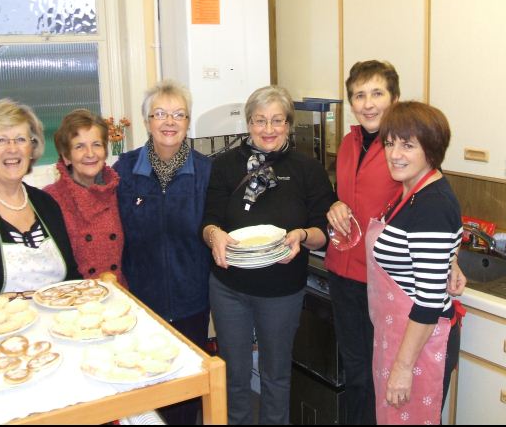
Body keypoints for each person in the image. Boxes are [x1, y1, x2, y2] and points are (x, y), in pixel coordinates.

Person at [324, 60, 466, 424]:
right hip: (353, 282)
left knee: (390, 393)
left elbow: (435, 229)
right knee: (361, 376)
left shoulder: (421, 184)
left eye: (377, 93)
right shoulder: (353, 147)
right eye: (359, 95)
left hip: (395, 300)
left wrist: (448, 260)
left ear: (394, 99)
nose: (367, 103)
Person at [202, 85, 336, 424]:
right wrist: (214, 235)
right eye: (260, 120)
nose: (269, 129)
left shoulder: (307, 169)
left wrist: (304, 235)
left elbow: (323, 233)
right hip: (229, 288)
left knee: (276, 375)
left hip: (282, 290)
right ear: (248, 124)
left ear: (288, 124)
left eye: (277, 120)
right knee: (234, 375)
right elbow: (209, 221)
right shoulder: (225, 166)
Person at [113, 80, 212, 425]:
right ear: (147, 121)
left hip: (192, 300)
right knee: (144, 386)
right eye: (160, 114)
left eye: (178, 114)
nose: (169, 122)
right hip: (141, 302)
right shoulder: (123, 172)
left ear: (188, 122)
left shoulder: (206, 172)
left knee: (186, 386)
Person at [368, 101, 463, 424]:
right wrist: (450, 260)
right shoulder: (413, 190)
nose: (395, 154)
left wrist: (402, 368)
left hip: (420, 345)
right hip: (399, 334)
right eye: (390, 143)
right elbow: (430, 247)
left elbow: (430, 299)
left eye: (408, 145)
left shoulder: (431, 204)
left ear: (431, 150)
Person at [0, 99, 81, 304]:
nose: (12, 149)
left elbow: (70, 276)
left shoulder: (47, 204)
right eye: (1, 140)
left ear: (32, 147)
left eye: (20, 139)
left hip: (55, 328)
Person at [44, 109, 127, 287]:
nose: (90, 154)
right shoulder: (50, 199)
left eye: (96, 144)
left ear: (105, 151)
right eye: (79, 146)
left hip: (118, 295)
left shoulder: (119, 191)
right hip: (73, 301)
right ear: (66, 156)